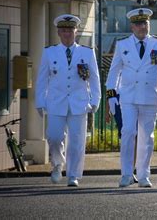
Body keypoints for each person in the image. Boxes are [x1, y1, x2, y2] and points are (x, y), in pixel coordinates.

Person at [106, 8, 157, 188]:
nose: (142, 27)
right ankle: (126, 174)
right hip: (128, 96)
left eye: (144, 23)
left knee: (147, 137)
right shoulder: (123, 45)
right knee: (128, 133)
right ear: (132, 26)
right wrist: (110, 94)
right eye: (138, 24)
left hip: (150, 96)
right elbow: (114, 71)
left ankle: (143, 174)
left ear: (148, 24)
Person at [35, 14, 101, 187]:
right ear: (58, 32)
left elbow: (94, 78)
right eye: (64, 30)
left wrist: (96, 100)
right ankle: (57, 164)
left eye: (70, 30)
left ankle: (73, 175)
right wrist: (40, 102)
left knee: (77, 141)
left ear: (76, 31)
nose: (67, 34)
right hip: (56, 102)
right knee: (55, 137)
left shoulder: (86, 52)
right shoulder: (50, 52)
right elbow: (42, 79)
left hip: (79, 102)